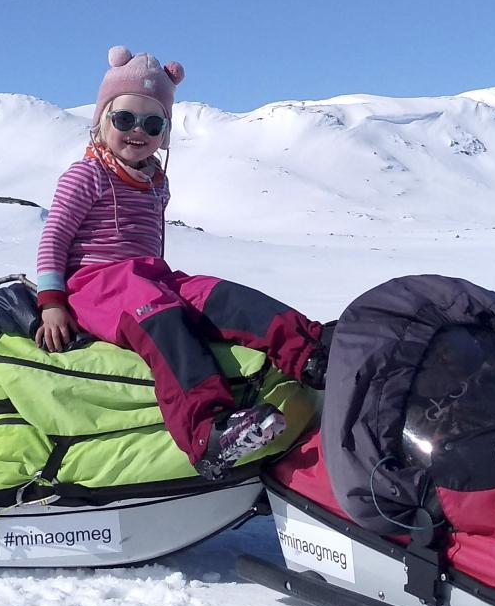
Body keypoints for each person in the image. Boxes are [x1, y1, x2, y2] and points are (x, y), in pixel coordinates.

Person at [35, 46, 327, 479]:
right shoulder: (86, 175)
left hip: (151, 274)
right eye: (124, 119)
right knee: (164, 320)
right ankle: (208, 432)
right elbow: (54, 236)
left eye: (152, 124)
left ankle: (312, 354)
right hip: (97, 284)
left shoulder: (155, 180)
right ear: (101, 120)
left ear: (165, 133)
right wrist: (52, 302)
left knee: (221, 296)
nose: (138, 131)